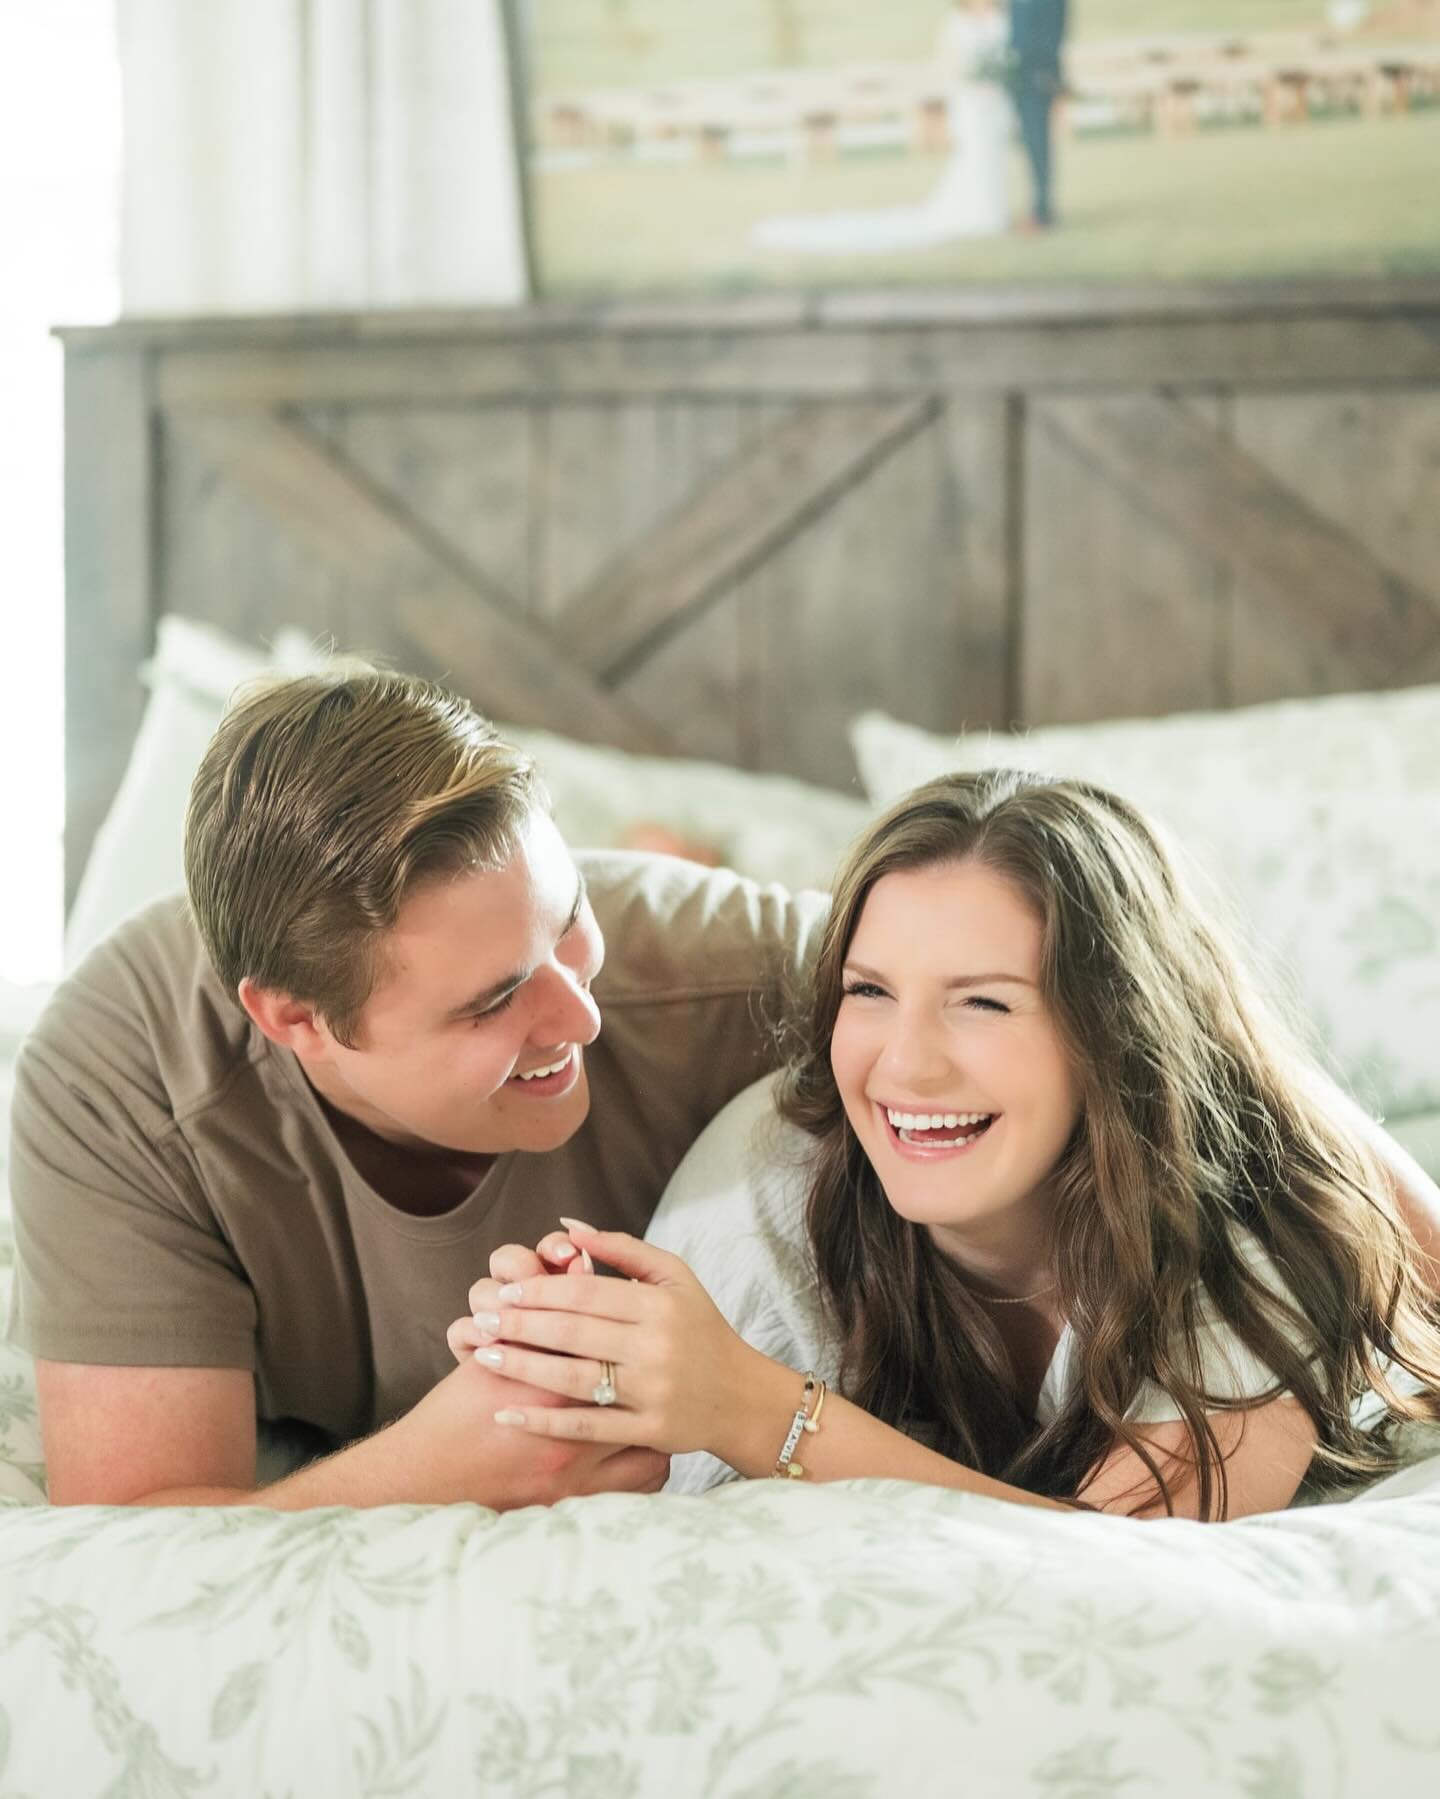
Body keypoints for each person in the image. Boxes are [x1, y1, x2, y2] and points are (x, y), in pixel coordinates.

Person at [456, 771, 1440, 1520]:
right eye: (870, 990)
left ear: (1120, 1034)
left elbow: (1145, 1578)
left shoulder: (1246, 1212)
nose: (906, 1067)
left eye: (982, 1001)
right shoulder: (763, 1194)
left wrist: (769, 1413)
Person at [7, 669, 825, 1508]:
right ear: (297, 1021)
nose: (580, 1019)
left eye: (569, 917)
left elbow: (948, 973)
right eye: (495, 1000)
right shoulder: (117, 1081)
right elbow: (129, 1540)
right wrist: (427, 1472)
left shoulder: (719, 963)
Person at [751, 0, 1011, 257]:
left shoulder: (1004, 17)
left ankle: (990, 211)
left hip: (996, 101)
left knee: (991, 155)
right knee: (975, 154)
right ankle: (977, 214)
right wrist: (976, 80)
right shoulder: (957, 23)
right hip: (970, 100)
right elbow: (951, 63)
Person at [1009, 0, 1068, 231]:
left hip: (1037, 79)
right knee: (1030, 144)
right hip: (1016, 80)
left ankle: (1041, 210)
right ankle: (1038, 206)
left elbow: (1055, 33)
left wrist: (1048, 73)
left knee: (1038, 145)